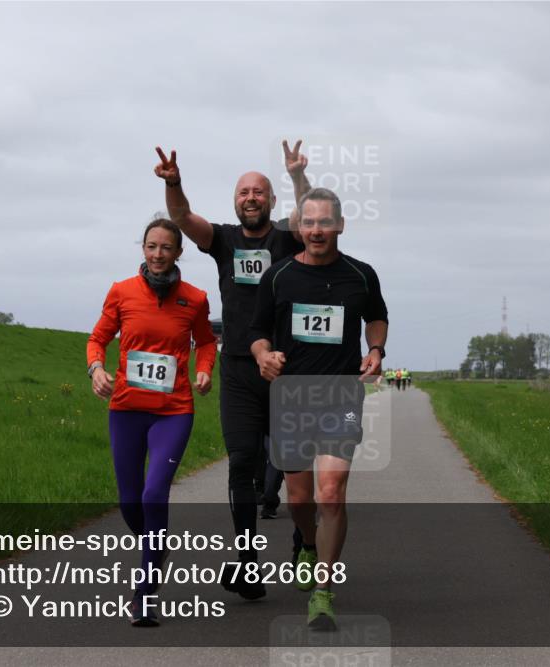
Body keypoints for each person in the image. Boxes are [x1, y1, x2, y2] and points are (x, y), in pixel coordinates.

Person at [154, 141, 310, 600]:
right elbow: (182, 217)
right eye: (244, 192)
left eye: (259, 191)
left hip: (287, 369)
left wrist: (297, 176)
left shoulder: (287, 237)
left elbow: (310, 214)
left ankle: (303, 544)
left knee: (294, 467)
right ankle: (247, 562)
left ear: (271, 200)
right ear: (235, 201)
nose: (251, 197)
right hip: (240, 370)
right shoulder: (223, 239)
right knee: (242, 463)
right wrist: (174, 183)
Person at [249, 187, 389, 630]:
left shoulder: (361, 275)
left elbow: (377, 316)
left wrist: (376, 349)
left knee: (331, 491)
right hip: (291, 398)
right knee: (299, 498)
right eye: (308, 222)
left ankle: (324, 592)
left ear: (340, 225)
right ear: (299, 226)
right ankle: (307, 544)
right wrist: (263, 356)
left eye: (325, 222)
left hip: (341, 395)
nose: (316, 230)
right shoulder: (278, 276)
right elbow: (257, 332)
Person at [86, 218, 216, 626]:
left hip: (174, 410)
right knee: (130, 502)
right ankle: (156, 548)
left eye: (166, 248)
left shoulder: (194, 298)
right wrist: (96, 369)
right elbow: (98, 338)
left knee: (154, 493)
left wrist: (205, 370)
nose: (158, 254)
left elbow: (206, 342)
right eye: (151, 246)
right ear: (143, 249)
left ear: (179, 253)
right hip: (126, 409)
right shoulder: (121, 292)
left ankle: (144, 593)